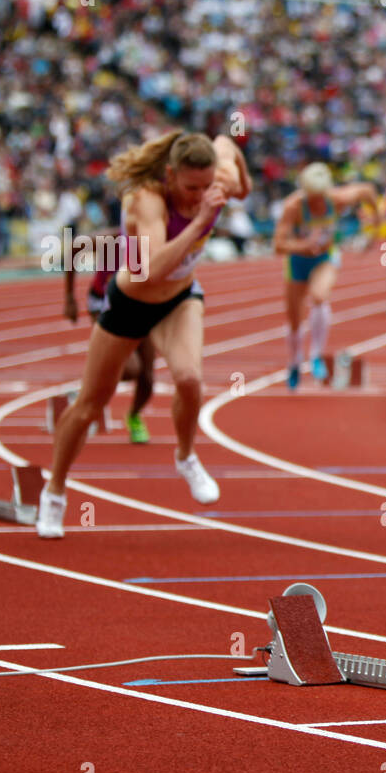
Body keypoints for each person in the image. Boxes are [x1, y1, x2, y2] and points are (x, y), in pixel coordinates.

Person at [36, 130, 251, 539]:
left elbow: (233, 158)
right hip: (132, 299)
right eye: (190, 188)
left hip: (181, 298)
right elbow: (152, 268)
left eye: (207, 187)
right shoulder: (146, 199)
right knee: (89, 403)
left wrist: (235, 171)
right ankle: (55, 492)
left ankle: (186, 457)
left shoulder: (216, 179)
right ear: (170, 175)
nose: (198, 195)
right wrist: (203, 220)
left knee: (189, 379)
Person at [271, 163, 378, 389]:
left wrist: (375, 221)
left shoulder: (337, 199)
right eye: (312, 198)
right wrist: (302, 245)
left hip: (325, 259)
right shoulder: (294, 207)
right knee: (294, 321)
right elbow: (278, 245)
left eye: (321, 197)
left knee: (319, 296)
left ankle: (316, 355)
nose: (317, 202)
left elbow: (367, 190)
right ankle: (294, 362)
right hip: (297, 262)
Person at [62, 224, 156, 445]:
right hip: (106, 304)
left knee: (148, 378)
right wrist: (69, 297)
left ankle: (133, 416)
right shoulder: (111, 240)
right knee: (131, 368)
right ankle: (89, 389)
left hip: (142, 305)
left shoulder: (157, 241)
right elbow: (74, 248)